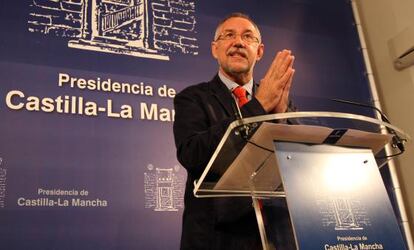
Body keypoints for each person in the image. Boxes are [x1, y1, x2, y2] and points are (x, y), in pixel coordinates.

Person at [173, 13, 296, 250]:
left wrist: (280, 121)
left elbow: (298, 162)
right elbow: (192, 155)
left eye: (247, 37)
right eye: (229, 35)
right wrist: (258, 106)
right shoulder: (192, 98)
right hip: (217, 238)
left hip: (276, 234)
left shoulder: (278, 99)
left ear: (259, 52)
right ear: (215, 49)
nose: (238, 42)